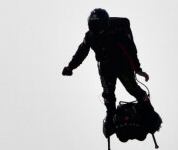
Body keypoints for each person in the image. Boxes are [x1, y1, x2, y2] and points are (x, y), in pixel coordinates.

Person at [62, 8, 154, 136]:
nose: (95, 28)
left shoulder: (117, 33)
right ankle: (110, 116)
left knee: (132, 89)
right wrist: (70, 67)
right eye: (93, 25)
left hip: (122, 65)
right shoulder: (89, 36)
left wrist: (138, 69)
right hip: (105, 68)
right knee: (108, 94)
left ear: (105, 24)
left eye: (97, 24)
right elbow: (81, 52)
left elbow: (131, 50)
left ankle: (148, 109)